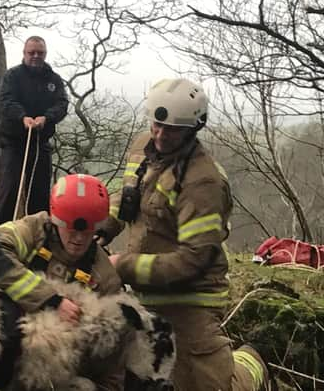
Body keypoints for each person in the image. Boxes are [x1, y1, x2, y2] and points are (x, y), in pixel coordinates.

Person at [102, 78, 272, 391]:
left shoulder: (202, 183)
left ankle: (251, 366)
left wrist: (122, 265)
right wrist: (99, 227)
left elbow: (194, 259)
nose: (161, 135)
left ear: (193, 129)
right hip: (144, 291)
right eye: (157, 124)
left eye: (173, 130)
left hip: (190, 298)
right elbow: (127, 197)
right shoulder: (143, 147)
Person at [0, 173, 126, 390]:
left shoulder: (105, 278)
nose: (79, 238)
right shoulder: (34, 230)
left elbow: (110, 355)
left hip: (48, 370)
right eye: (72, 228)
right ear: (56, 221)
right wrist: (51, 300)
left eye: (87, 232)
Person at [0, 35, 68, 226]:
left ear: (45, 54)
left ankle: (39, 238)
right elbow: (6, 101)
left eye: (39, 53)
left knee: (41, 195)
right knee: (10, 190)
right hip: (14, 142)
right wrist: (22, 117)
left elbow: (62, 104)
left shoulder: (54, 80)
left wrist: (47, 118)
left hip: (40, 142)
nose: (35, 56)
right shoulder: (12, 76)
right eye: (31, 52)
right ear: (24, 53)